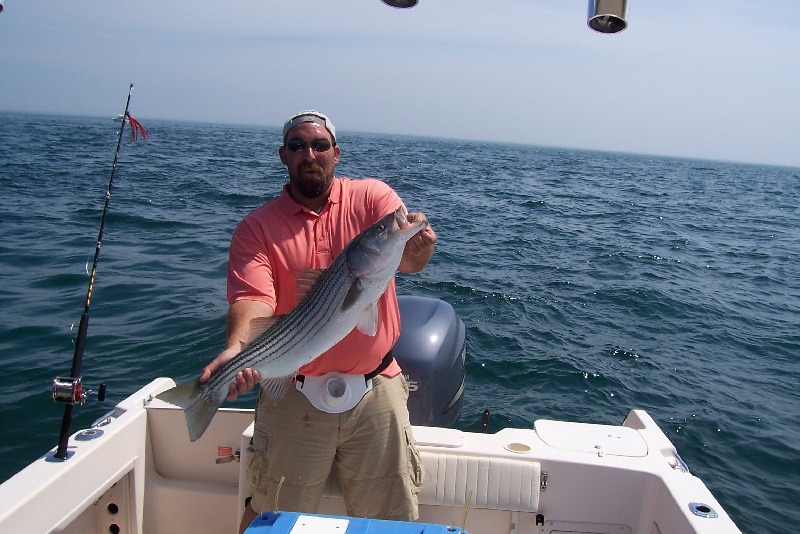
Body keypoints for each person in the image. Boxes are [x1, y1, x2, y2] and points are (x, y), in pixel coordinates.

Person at [199, 110, 437, 532]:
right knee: (272, 518)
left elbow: (414, 260)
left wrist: (413, 245)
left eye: (320, 145)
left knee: (394, 523)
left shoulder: (373, 199)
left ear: (336, 153)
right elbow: (253, 300)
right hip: (292, 392)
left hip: (376, 391)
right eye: (297, 146)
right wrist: (238, 350)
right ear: (283, 156)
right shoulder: (255, 228)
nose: (310, 154)